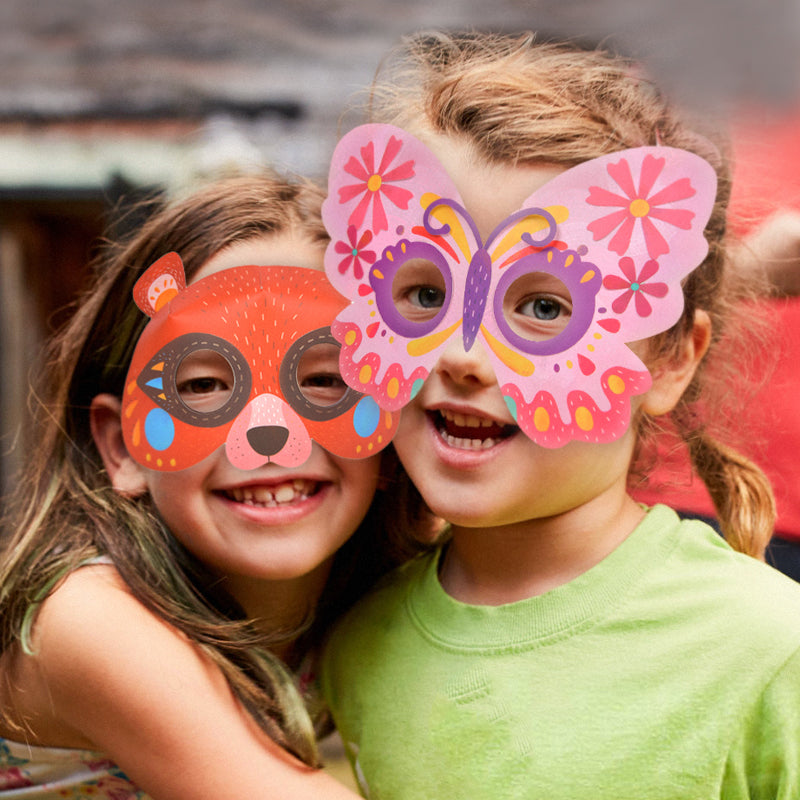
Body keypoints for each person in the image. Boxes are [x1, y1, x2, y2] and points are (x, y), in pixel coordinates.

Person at [320, 32, 800, 798]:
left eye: (544, 305)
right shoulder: (355, 641)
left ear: (672, 360)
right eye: (425, 294)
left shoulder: (771, 648)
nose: (463, 355)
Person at [0, 171, 406, 799]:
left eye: (325, 378)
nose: (269, 434)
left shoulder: (391, 584)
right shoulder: (88, 619)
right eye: (202, 387)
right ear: (123, 447)